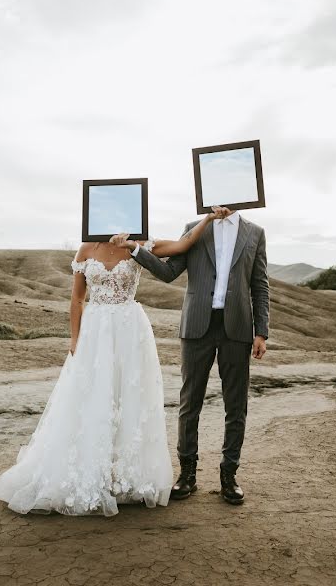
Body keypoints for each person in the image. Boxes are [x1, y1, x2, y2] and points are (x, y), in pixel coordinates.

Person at [0, 206, 230, 516]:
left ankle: (126, 475)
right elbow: (77, 299)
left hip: (130, 330)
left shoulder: (140, 242)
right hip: (95, 332)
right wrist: (75, 338)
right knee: (91, 398)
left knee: (129, 399)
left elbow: (183, 245)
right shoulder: (87, 247)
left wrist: (208, 219)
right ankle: (92, 472)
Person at [111, 207, 269, 505]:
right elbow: (169, 272)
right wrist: (135, 249)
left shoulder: (255, 233)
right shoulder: (195, 227)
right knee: (189, 403)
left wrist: (261, 331)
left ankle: (229, 476)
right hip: (197, 325)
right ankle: (188, 475)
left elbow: (259, 284)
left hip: (237, 328)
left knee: (237, 406)